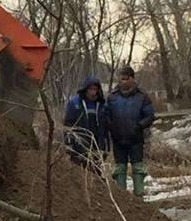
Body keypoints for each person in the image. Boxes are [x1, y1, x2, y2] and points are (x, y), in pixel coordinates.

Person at [106, 66, 155, 197]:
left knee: (138, 168)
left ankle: (139, 195)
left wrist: (140, 126)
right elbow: (105, 115)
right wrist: (111, 128)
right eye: (121, 79)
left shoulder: (142, 96)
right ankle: (122, 198)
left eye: (126, 79)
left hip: (136, 138)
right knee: (120, 169)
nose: (123, 82)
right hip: (118, 139)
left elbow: (150, 116)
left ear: (132, 79)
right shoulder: (112, 97)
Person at [63, 76, 109, 170]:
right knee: (78, 173)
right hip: (79, 144)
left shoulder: (102, 105)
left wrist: (106, 146)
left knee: (95, 173)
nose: (93, 92)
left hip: (97, 145)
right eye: (90, 89)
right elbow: (68, 124)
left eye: (95, 89)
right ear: (85, 89)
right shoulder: (75, 103)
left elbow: (106, 127)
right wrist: (68, 143)